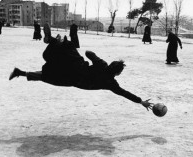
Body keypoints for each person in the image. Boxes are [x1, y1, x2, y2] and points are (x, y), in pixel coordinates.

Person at [9, 23, 153, 110]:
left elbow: (88, 52)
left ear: (110, 64)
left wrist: (96, 58)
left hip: (76, 67)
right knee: (49, 75)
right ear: (117, 74)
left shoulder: (102, 65)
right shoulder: (111, 83)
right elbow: (124, 93)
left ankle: (52, 42)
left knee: (67, 50)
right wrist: (140, 101)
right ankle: (52, 43)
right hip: (74, 80)